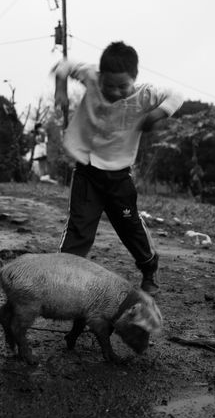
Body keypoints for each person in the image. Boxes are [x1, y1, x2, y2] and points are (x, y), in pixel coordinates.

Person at [52, 41, 182, 293]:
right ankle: (64, 278)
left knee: (130, 226)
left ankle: (149, 269)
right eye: (108, 85)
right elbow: (63, 65)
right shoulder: (90, 76)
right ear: (100, 77)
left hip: (118, 177)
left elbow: (176, 95)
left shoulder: (144, 95)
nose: (114, 91)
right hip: (87, 170)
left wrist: (156, 115)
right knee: (79, 226)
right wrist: (60, 91)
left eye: (122, 86)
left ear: (134, 78)